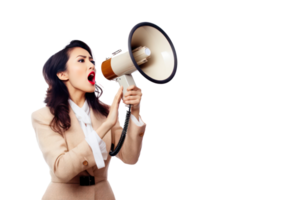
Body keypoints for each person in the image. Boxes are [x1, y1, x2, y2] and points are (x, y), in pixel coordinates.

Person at [29, 39, 148, 200]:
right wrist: (106, 126)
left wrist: (135, 110)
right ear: (62, 74)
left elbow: (130, 158)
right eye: (81, 60)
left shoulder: (105, 111)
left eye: (92, 61)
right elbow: (61, 170)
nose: (91, 65)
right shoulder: (43, 116)